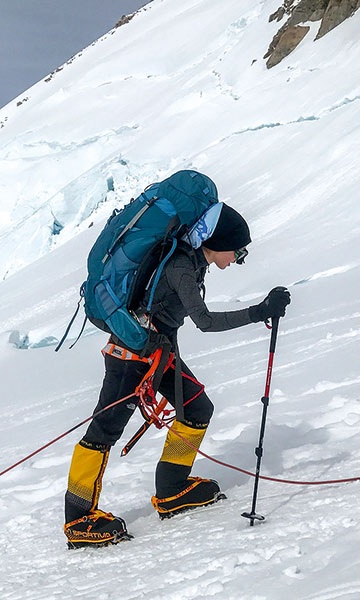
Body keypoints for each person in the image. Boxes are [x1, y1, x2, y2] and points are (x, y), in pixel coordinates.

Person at [63, 202, 291, 548]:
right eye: (238, 250)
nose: (239, 258)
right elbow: (206, 322)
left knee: (198, 409)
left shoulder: (194, 262)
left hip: (157, 354)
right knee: (104, 430)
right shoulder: (182, 265)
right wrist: (260, 311)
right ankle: (79, 520)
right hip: (130, 358)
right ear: (218, 242)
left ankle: (172, 490)